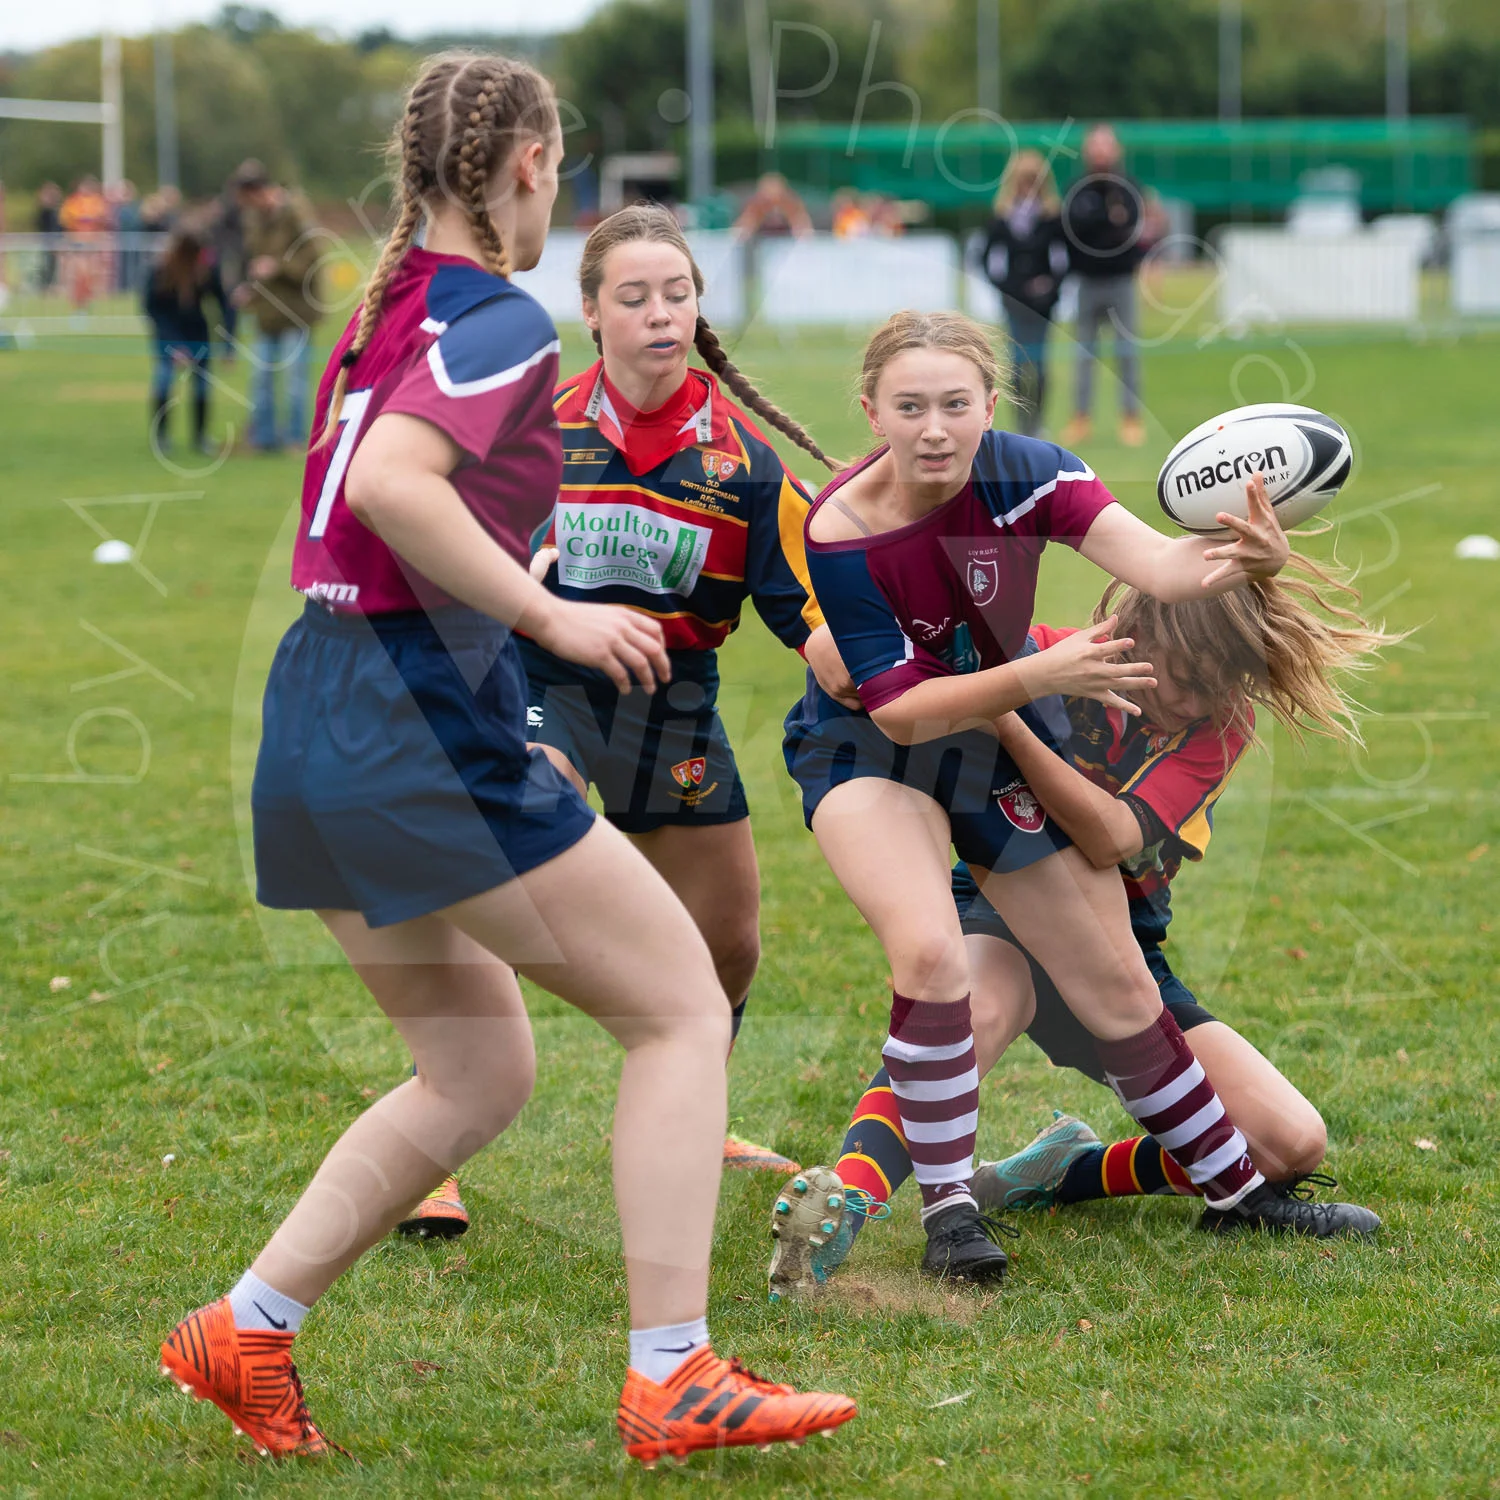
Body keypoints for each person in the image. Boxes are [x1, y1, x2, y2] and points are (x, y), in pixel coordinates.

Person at [157, 51, 855, 1465]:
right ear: (532, 166)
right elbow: (389, 484)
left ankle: (247, 1327)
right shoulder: (491, 313)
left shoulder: (387, 305)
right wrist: (551, 613)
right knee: (674, 1011)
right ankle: (676, 1373)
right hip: (421, 715)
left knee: (476, 1073)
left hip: (316, 711)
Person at [776, 308, 1361, 1294]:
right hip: (898, 767)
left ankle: (1216, 1192)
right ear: (873, 410)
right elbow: (904, 709)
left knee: (1201, 1059)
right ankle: (905, 1206)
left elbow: (1164, 570)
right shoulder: (868, 546)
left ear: (989, 408)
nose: (934, 426)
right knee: (943, 978)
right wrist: (1018, 681)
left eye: (955, 405)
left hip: (1060, 844)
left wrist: (1237, 555)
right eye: (910, 406)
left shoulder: (1038, 487)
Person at [395, 201, 857, 1238]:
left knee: (728, 940)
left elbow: (807, 619)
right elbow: (450, 563)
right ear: (592, 314)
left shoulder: (746, 462)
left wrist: (877, 677)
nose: (661, 313)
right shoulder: (531, 433)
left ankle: (701, 1108)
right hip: (539, 682)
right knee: (521, 865)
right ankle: (433, 1140)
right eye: (635, 296)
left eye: (679, 294)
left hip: (672, 702)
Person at [1059, 124, 1147, 450]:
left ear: (1116, 150)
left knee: (1127, 352)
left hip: (1122, 281)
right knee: (1083, 353)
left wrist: (1106, 227)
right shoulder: (1076, 190)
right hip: (1086, 282)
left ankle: (1131, 418)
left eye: (1106, 145)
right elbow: (1074, 231)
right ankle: (1080, 418)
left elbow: (1133, 231)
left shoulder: (1129, 188)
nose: (1100, 152)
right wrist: (1107, 222)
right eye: (1095, 145)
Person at [230, 162, 325, 452]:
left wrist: (278, 267)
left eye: (249, 198)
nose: (247, 206)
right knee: (261, 379)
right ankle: (264, 438)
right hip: (265, 312)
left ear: (260, 191)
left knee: (296, 381)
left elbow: (313, 259)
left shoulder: (296, 212)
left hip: (296, 311)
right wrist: (248, 287)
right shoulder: (254, 219)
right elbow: (254, 259)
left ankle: (296, 439)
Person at [978, 150, 1068, 438]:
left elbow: (1064, 261)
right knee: (1017, 365)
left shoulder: (1052, 218)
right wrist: (1008, 287)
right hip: (1014, 301)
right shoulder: (1002, 218)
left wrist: (1049, 286)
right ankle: (1021, 424)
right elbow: (986, 259)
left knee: (1040, 366)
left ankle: (1038, 422)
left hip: (1043, 304)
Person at [141, 221, 237, 456]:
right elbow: (153, 310)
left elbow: (225, 305)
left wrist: (228, 344)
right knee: (163, 382)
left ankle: (200, 436)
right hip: (168, 336)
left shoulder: (206, 270)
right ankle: (162, 436)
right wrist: (174, 346)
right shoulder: (160, 271)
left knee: (202, 388)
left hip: (198, 335)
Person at [34, 182, 62, 293]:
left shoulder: (57, 211)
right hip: (47, 241)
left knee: (53, 265)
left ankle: (51, 285)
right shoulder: (45, 212)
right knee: (46, 264)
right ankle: (45, 286)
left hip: (54, 241)